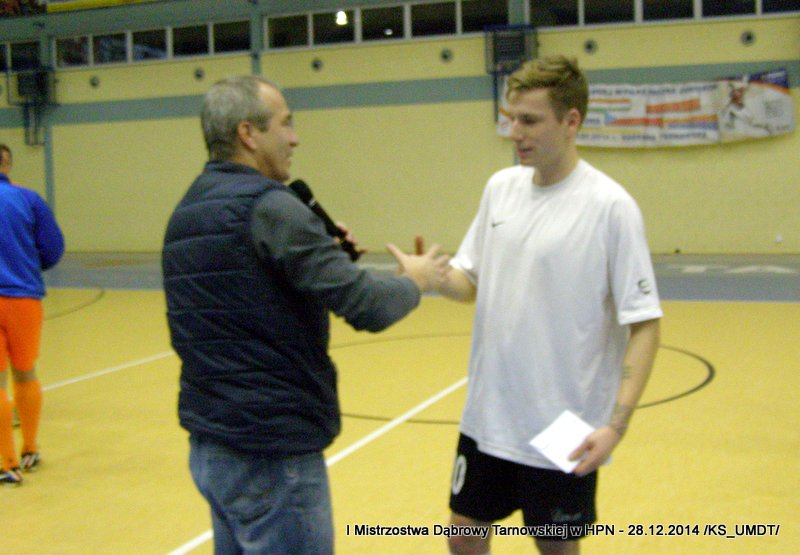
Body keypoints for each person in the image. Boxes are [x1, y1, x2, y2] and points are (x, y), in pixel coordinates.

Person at [161, 75, 449, 554]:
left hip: (213, 445)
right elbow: (368, 305)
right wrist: (415, 279)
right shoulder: (272, 208)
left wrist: (322, 254)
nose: (294, 138)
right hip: (272, 451)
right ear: (248, 134)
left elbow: (246, 299)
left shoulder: (187, 210)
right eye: (285, 124)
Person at [433, 56, 663, 554]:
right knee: (462, 533)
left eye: (529, 120)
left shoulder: (610, 207)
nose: (514, 132)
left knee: (555, 546)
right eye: (511, 118)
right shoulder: (500, 189)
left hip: (564, 426)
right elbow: (468, 281)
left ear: (571, 121)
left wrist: (615, 427)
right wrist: (433, 276)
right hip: (489, 416)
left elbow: (645, 325)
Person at [0, 143, 65, 486]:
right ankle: (29, 449)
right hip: (23, 298)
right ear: (7, 163)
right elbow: (53, 248)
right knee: (25, 373)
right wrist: (26, 265)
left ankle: (6, 463)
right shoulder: (28, 199)